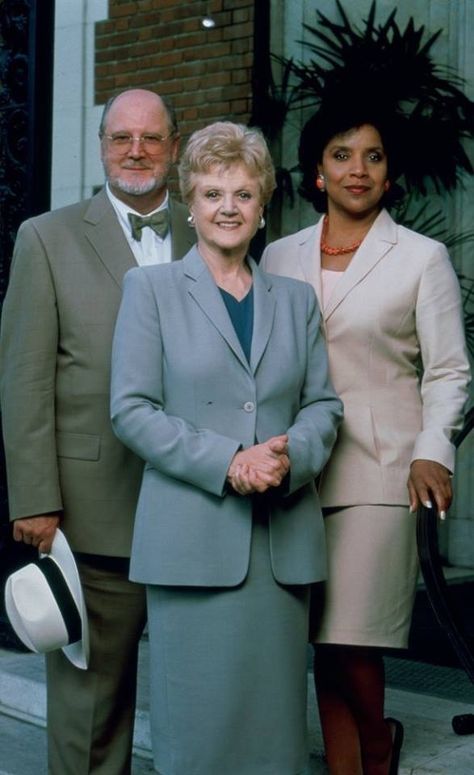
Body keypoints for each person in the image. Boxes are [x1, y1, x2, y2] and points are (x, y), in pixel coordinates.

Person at [110, 121, 343, 775]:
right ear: (190, 201)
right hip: (191, 548)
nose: (228, 208)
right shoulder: (150, 292)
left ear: (264, 205)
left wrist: (290, 454)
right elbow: (130, 409)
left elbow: (324, 404)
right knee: (197, 740)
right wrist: (228, 459)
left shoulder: (296, 301)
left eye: (243, 194)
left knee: (274, 741)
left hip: (280, 550)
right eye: (213, 193)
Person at [260, 107, 471, 775]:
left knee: (353, 636)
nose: (358, 168)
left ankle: (378, 745)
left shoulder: (420, 257)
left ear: (389, 174)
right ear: (317, 170)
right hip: (295, 471)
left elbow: (449, 369)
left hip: (384, 469)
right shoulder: (276, 255)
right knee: (318, 638)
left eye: (374, 156)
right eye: (342, 153)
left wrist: (434, 447)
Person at [0, 88, 194, 774]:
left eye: (151, 137)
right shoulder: (46, 238)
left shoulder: (214, 232)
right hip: (89, 509)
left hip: (200, 510)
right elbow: (23, 377)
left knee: (196, 702)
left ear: (175, 146)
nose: (136, 150)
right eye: (121, 138)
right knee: (88, 708)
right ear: (102, 146)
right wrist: (33, 496)